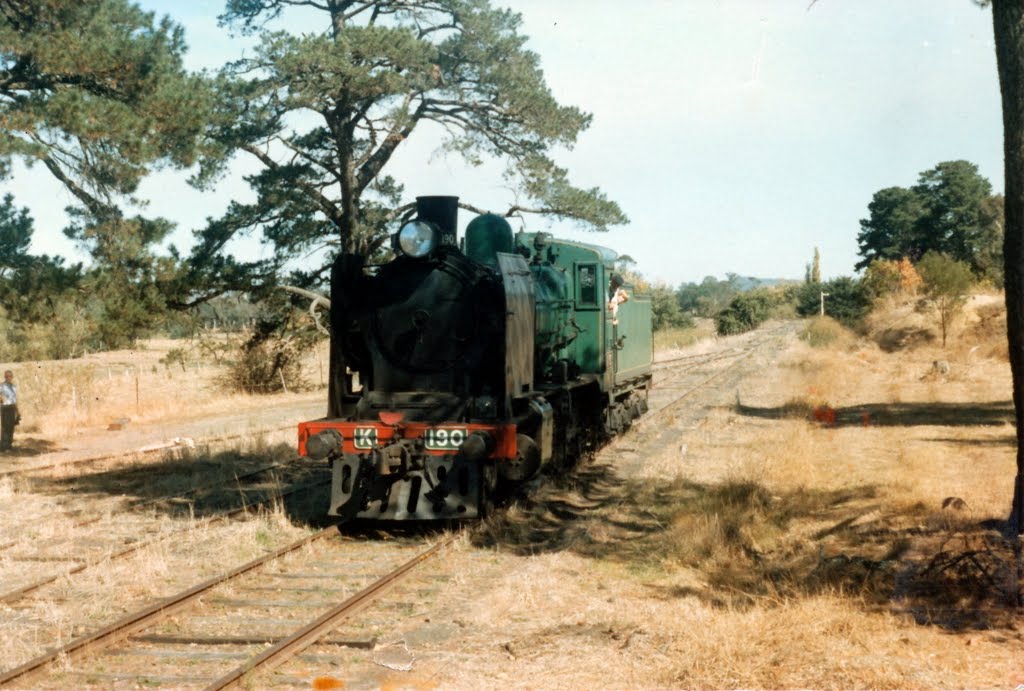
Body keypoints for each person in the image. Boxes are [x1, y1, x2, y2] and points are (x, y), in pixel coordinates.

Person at [1, 370, 18, 452]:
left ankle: (9, 445)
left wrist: (17, 411)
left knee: (11, 426)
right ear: (4, 377)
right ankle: (4, 447)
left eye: (10, 376)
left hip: (12, 407)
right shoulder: (2, 386)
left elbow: (14, 400)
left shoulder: (14, 386)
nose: (8, 378)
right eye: (7, 376)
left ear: (12, 377)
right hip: (5, 407)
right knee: (5, 427)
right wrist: (2, 401)